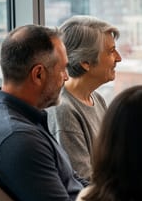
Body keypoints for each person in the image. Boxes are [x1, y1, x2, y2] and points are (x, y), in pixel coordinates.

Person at [0, 25, 84, 201]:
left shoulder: (16, 120)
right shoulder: (19, 139)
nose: (66, 78)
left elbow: (72, 180)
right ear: (38, 74)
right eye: (63, 69)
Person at [47, 16, 122, 179]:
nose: (118, 58)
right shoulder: (64, 111)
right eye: (111, 51)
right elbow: (83, 179)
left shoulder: (98, 99)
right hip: (102, 199)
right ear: (85, 62)